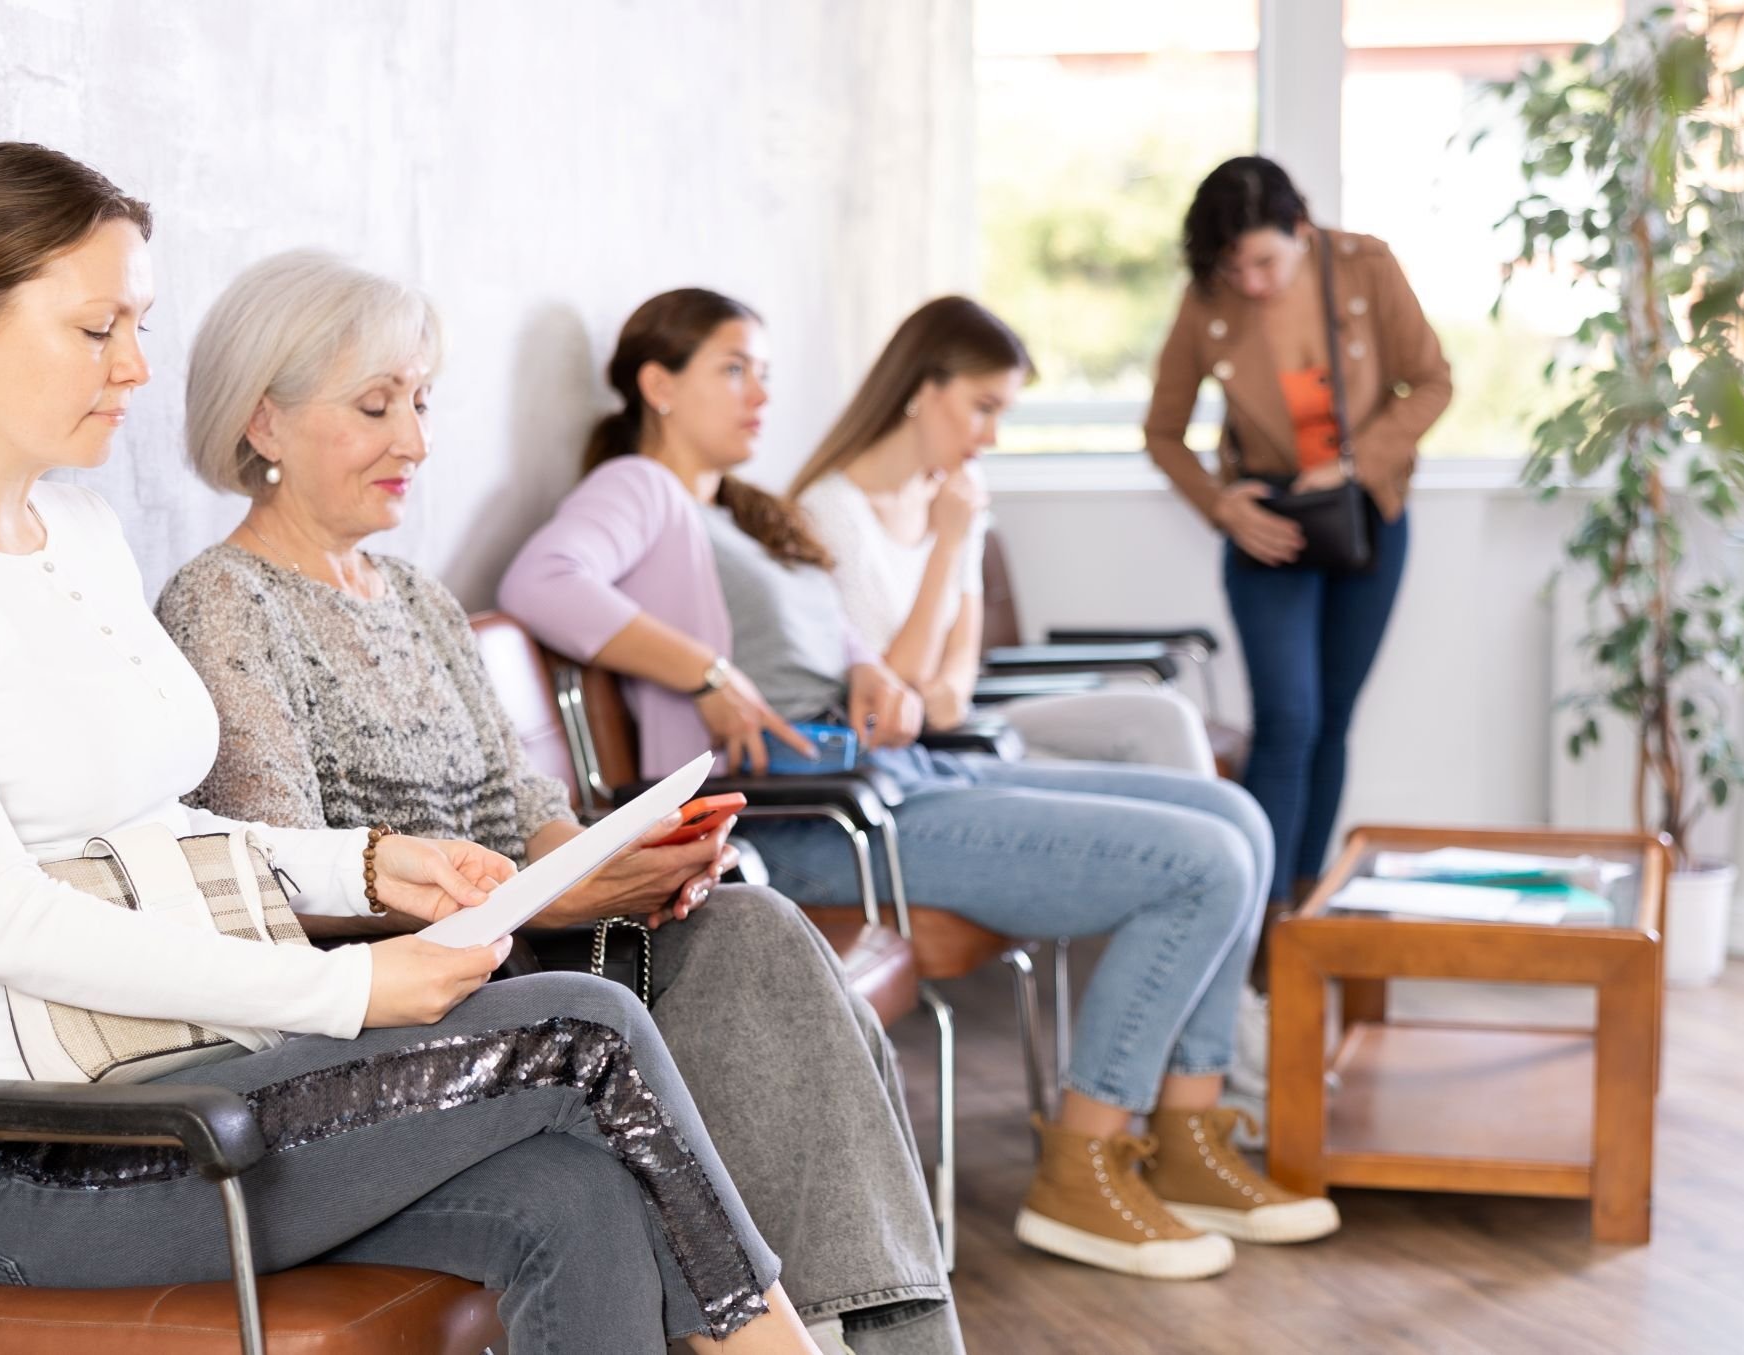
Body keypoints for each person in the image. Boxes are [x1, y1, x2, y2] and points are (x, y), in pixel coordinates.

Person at [0, 142, 817, 1354]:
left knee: (576, 1195)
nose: (135, 367)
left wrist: (369, 866)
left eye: (140, 323)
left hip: (197, 1079)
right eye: (96, 328)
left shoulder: (77, 527)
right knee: (585, 1027)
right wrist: (347, 985)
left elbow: (154, 828)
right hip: (36, 1152)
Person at [156, 251, 959, 1355]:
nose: (416, 441)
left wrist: (613, 863)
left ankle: (856, 1334)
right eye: (375, 405)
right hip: (409, 1007)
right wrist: (541, 897)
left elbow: (516, 795)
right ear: (265, 422)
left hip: (533, 955)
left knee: (753, 935)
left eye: (422, 402)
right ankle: (845, 1335)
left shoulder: (422, 598)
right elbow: (285, 876)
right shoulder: (222, 602)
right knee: (768, 979)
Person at [501, 287, 1339, 1282]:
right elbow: (539, 581)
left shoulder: (747, 510)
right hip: (810, 818)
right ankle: (1085, 1163)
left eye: (764, 368)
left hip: (891, 773)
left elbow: (855, 654)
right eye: (734, 367)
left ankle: (1190, 1134)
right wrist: (708, 672)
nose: (760, 390)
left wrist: (872, 677)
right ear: (657, 385)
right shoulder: (643, 487)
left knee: (1233, 816)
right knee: (1200, 860)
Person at [1143, 155, 1453, 907]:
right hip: (1268, 530)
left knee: (1333, 721)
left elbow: (1433, 381)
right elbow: (1163, 431)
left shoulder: (1365, 267)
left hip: (1364, 517)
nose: (1250, 281)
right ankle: (1259, 915)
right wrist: (1226, 508)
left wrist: (1352, 465)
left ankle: (1308, 905)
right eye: (1231, 265)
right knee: (1288, 720)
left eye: (1263, 260)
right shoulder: (1207, 300)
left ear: (1301, 229)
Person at [787, 297, 1214, 775]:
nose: (992, 437)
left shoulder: (960, 490)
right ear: (921, 389)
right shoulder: (830, 513)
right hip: (908, 756)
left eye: (1002, 414)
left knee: (1165, 720)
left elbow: (958, 672)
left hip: (969, 727)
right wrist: (947, 544)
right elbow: (892, 687)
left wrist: (947, 689)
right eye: (983, 408)